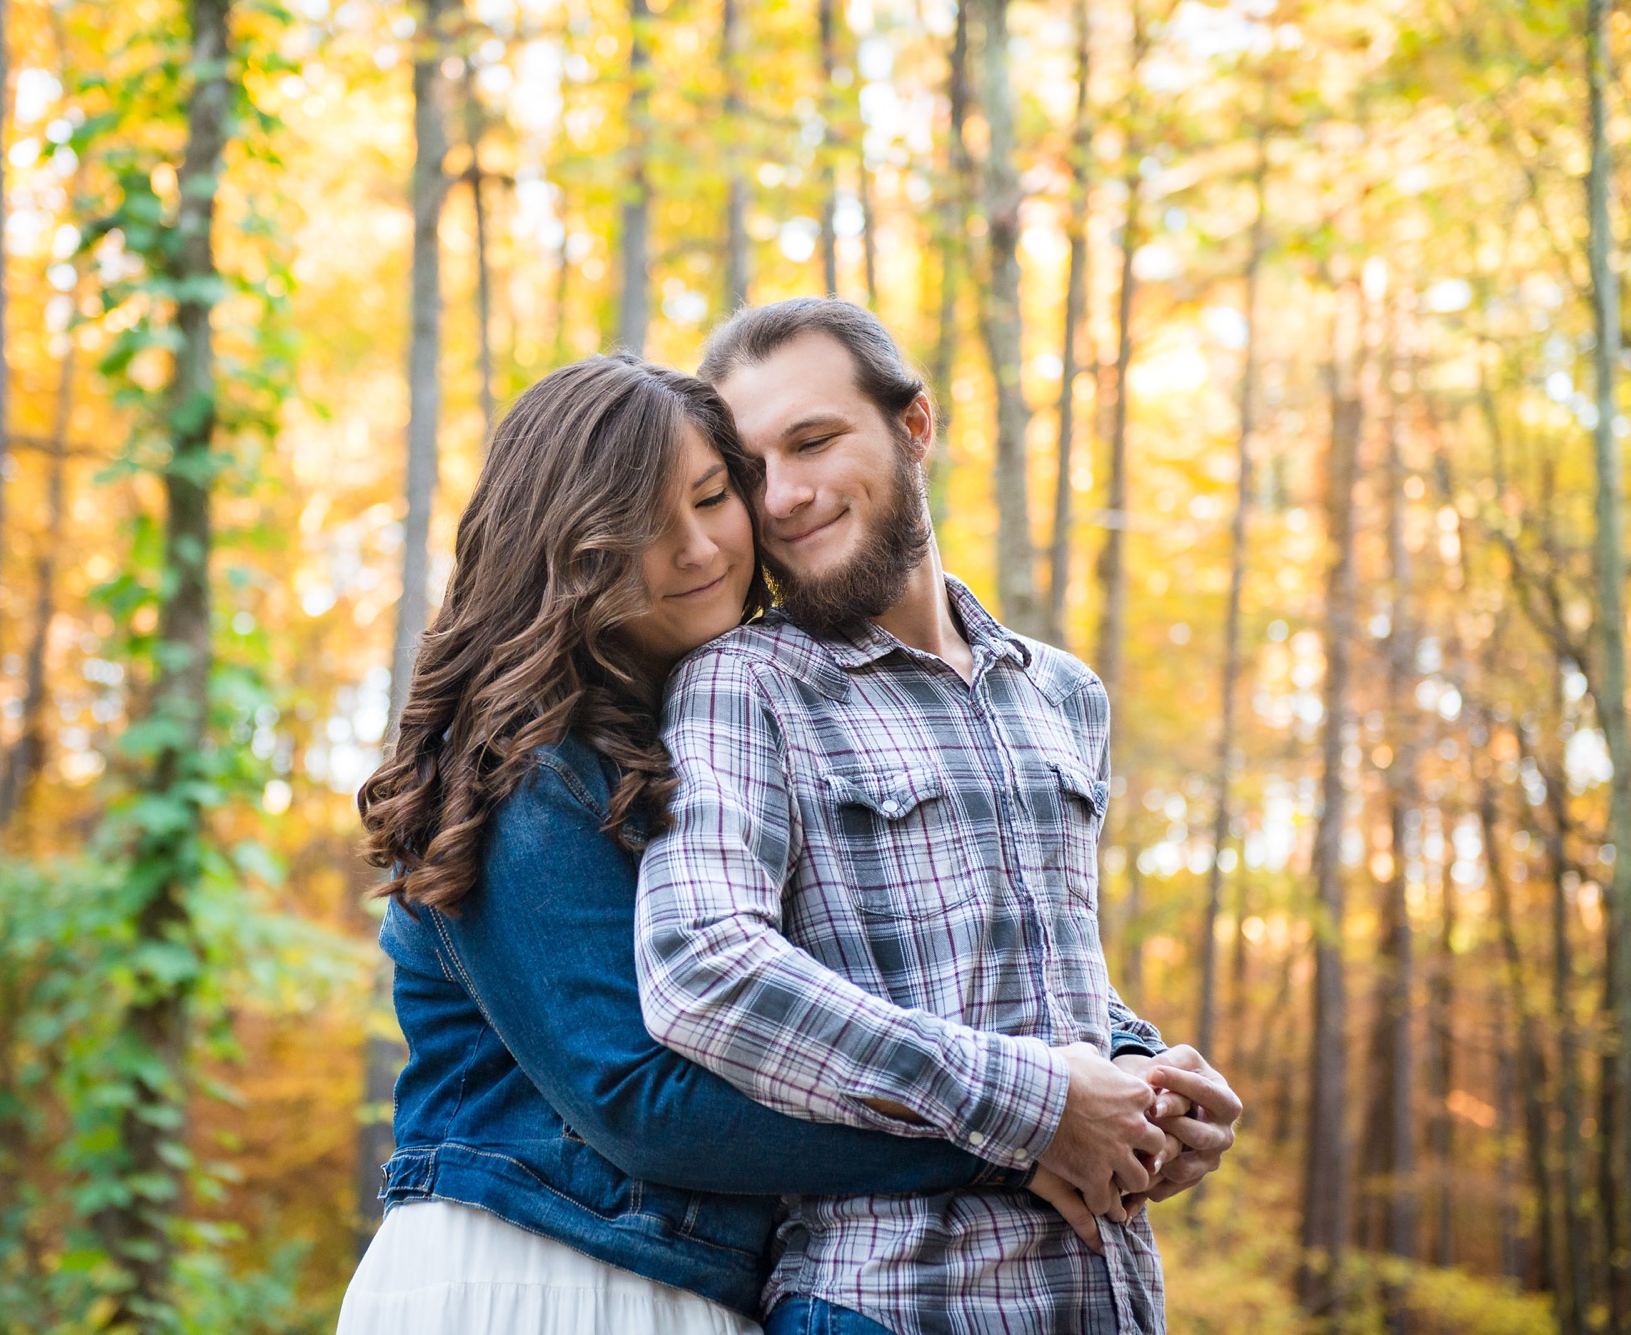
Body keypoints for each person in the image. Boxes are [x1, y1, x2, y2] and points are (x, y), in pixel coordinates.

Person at [342, 354, 1149, 1335]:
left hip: (698, 1288)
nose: (695, 550)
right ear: (566, 550)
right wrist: (1015, 1137)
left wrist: (1125, 1075)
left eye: (713, 497)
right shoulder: (529, 770)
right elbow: (638, 1102)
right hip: (528, 1273)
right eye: (638, 529)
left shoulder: (712, 747)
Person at [637, 298, 1243, 1335]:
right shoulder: (744, 685)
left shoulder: (1060, 693)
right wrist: (1040, 1101)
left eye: (814, 441)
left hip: (1107, 1296)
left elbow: (1042, 983)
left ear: (913, 426)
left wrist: (1140, 1080)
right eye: (751, 472)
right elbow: (700, 967)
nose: (783, 498)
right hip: (884, 1298)